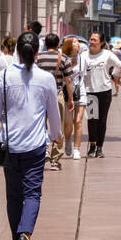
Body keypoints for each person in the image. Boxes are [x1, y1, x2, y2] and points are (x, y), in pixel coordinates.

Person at [0, 31, 61, 240]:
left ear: (17, 51)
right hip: (36, 145)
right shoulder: (46, 79)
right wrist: (55, 134)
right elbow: (53, 113)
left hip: (10, 145)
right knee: (32, 193)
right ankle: (25, 233)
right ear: (36, 52)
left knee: (13, 195)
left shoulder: (4, 76)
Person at [81, 33, 121, 158]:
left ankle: (100, 147)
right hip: (90, 91)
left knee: (102, 120)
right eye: (91, 39)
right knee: (92, 120)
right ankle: (92, 146)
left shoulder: (107, 54)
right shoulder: (84, 55)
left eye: (95, 40)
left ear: (101, 43)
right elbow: (79, 71)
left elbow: (119, 64)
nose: (92, 41)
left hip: (105, 91)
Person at [36, 33, 73, 169]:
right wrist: (71, 99)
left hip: (39, 96)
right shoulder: (63, 58)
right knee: (58, 125)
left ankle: (43, 150)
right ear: (58, 45)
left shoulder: (38, 58)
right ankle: (55, 160)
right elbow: (68, 80)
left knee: (40, 124)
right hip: (57, 94)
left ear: (45, 44)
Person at [61, 36, 86, 157]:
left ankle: (77, 149)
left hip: (80, 91)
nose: (78, 44)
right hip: (67, 92)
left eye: (78, 42)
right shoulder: (63, 59)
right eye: (75, 42)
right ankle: (67, 140)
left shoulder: (83, 57)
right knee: (68, 123)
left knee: (78, 121)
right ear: (69, 45)